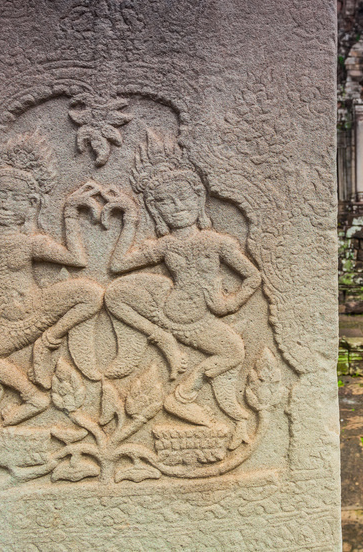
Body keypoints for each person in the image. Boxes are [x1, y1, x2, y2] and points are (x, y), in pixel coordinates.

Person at [103, 131, 261, 451]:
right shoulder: (166, 245)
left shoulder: (218, 242)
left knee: (232, 351)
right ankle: (164, 343)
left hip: (201, 317)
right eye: (164, 201)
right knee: (114, 294)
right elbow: (119, 264)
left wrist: (232, 303)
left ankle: (187, 399)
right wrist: (131, 218)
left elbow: (253, 277)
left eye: (182, 198)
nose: (175, 207)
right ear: (155, 209)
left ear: (198, 199)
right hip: (170, 311)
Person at [0, 134, 104, 425]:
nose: (6, 204)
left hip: (39, 307)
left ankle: (48, 342)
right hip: (9, 322)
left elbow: (77, 260)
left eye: (16, 197)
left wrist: (70, 213)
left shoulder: (29, 242)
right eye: (1, 195)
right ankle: (32, 396)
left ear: (30, 205)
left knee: (91, 293)